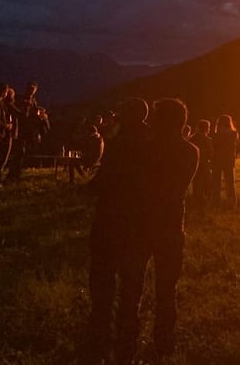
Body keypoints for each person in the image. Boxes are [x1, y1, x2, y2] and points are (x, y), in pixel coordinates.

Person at [132, 98, 199, 358]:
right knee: (166, 289)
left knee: (132, 287)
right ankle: (164, 344)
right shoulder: (191, 150)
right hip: (172, 226)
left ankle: (127, 342)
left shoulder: (145, 149)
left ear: (161, 121)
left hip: (141, 224)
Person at [87, 97, 151, 364]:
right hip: (139, 222)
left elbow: (103, 181)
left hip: (110, 219)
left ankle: (98, 333)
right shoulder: (152, 143)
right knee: (132, 282)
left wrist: (87, 187)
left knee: (103, 278)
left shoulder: (119, 143)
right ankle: (128, 335)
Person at [212, 114, 239, 207]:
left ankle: (215, 202)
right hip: (229, 160)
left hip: (216, 160)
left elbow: (214, 147)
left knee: (216, 183)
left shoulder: (215, 134)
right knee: (230, 183)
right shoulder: (234, 134)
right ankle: (231, 203)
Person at [188, 119, 214, 210]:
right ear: (206, 128)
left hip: (194, 165)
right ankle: (204, 205)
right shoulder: (207, 140)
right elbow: (211, 153)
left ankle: (196, 203)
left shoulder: (192, 138)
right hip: (204, 165)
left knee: (196, 185)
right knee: (207, 185)